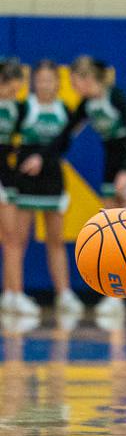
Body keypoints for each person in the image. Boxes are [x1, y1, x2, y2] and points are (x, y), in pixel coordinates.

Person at [29, 55, 126, 317]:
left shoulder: (115, 96)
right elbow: (64, 136)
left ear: (86, 79)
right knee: (112, 233)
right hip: (111, 164)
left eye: (74, 81)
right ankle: (115, 295)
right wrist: (42, 156)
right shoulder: (86, 105)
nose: (72, 87)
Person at [11, 61, 86, 316]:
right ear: (33, 82)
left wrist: (44, 158)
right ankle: (15, 293)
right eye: (40, 79)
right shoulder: (23, 108)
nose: (44, 84)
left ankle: (63, 293)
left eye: (49, 79)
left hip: (53, 177)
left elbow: (62, 144)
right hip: (25, 178)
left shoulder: (65, 110)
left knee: (55, 239)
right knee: (18, 239)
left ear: (57, 82)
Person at [0, 60, 35, 316]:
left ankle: (14, 293)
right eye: (10, 89)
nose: (13, 94)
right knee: (11, 238)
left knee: (12, 238)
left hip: (6, 176)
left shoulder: (17, 108)